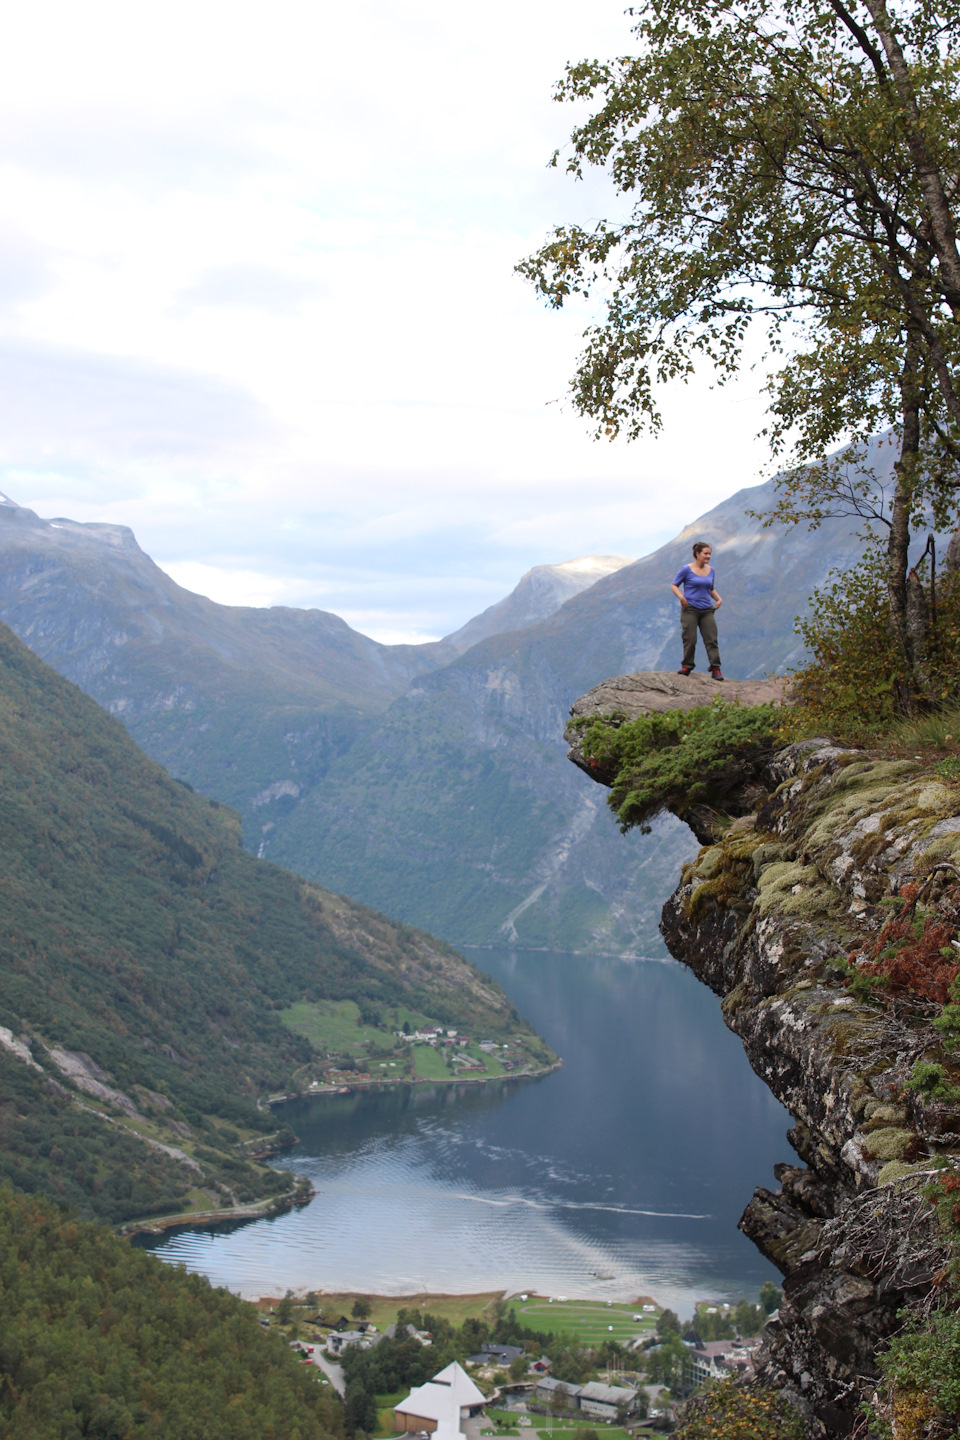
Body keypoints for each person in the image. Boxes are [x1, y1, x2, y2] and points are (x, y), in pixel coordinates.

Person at [670, 541, 723, 680]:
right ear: (697, 554)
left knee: (711, 639)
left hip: (707, 610)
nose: (708, 556)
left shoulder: (711, 570)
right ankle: (687, 666)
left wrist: (718, 599)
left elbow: (710, 588)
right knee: (690, 639)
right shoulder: (686, 569)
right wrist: (681, 597)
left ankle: (715, 668)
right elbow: (674, 585)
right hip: (690, 609)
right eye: (706, 553)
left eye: (710, 553)